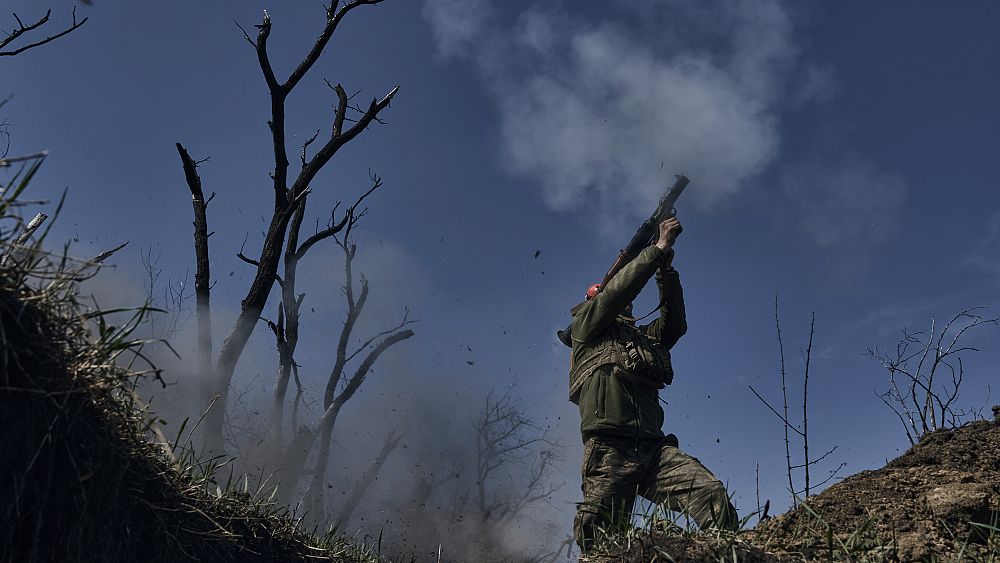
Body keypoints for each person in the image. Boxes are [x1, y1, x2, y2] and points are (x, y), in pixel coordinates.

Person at [568, 216, 738, 552]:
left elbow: (674, 326)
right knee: (600, 540)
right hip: (609, 450)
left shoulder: (640, 339)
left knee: (709, 493)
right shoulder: (585, 327)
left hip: (653, 448)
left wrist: (666, 271)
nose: (625, 303)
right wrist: (656, 249)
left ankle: (731, 555)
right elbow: (613, 296)